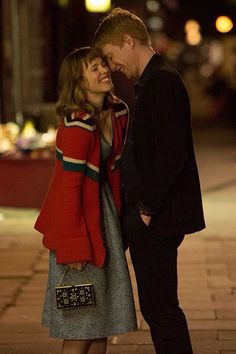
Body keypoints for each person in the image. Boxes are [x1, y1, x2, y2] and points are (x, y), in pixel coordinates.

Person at [94, 8, 205, 354]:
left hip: (157, 218)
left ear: (128, 41)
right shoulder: (150, 82)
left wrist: (146, 209)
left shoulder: (162, 82)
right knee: (158, 308)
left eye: (111, 56)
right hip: (153, 215)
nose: (112, 66)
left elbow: (173, 154)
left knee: (161, 309)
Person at [34, 47, 137, 354]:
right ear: (78, 82)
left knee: (101, 322)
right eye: (94, 68)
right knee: (81, 324)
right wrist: (74, 246)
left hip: (103, 220)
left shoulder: (117, 112)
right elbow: (69, 190)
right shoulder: (76, 125)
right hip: (79, 226)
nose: (104, 70)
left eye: (102, 64)